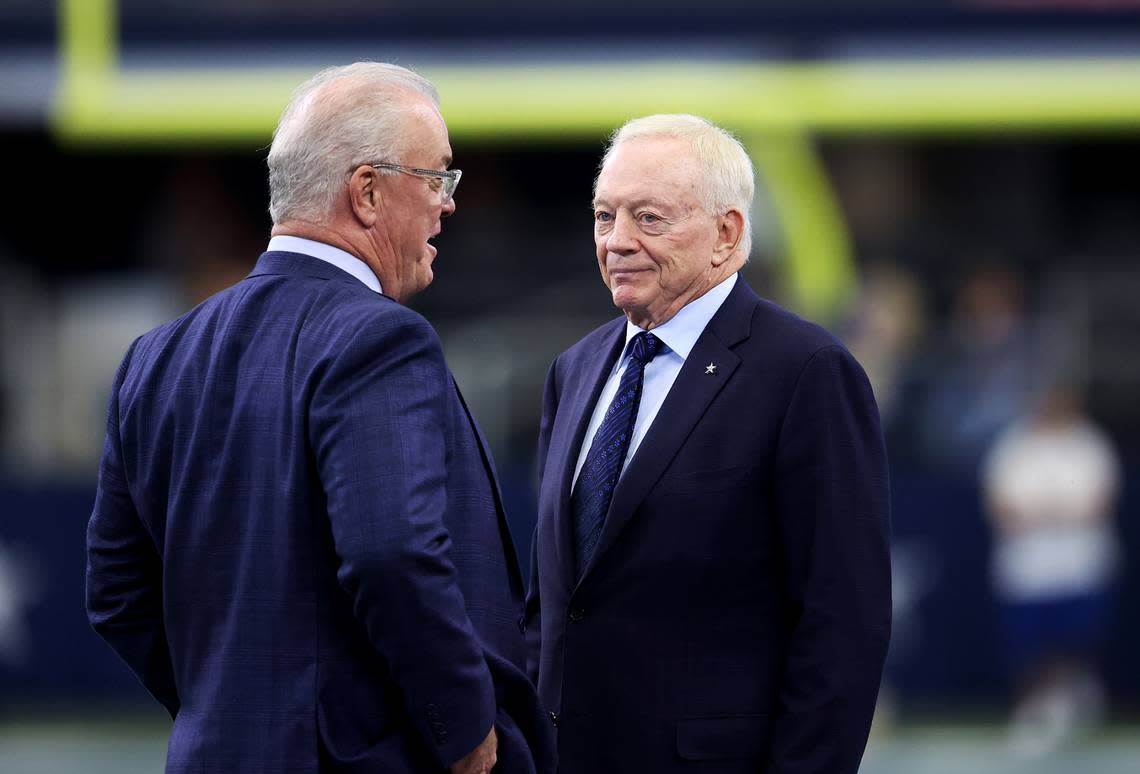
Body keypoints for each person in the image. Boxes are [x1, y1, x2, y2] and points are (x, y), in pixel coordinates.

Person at [86, 62, 553, 774]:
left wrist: (234, 709)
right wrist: (463, 729)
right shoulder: (379, 337)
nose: (448, 204)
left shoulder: (156, 357)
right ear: (366, 191)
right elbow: (390, 554)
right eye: (435, 178)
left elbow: (117, 593)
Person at [525, 114, 891, 774]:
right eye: (605, 217)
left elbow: (844, 622)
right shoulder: (573, 371)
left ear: (726, 233)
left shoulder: (806, 371)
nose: (617, 241)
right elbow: (551, 605)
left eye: (649, 218)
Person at [982, 384, 1122, 755]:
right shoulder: (1014, 444)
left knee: (1075, 641)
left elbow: (1100, 500)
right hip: (1028, 569)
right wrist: (1047, 513)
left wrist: (1049, 512)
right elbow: (998, 502)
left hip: (1077, 565)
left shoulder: (1090, 444)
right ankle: (1034, 710)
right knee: (1028, 646)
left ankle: (1073, 701)